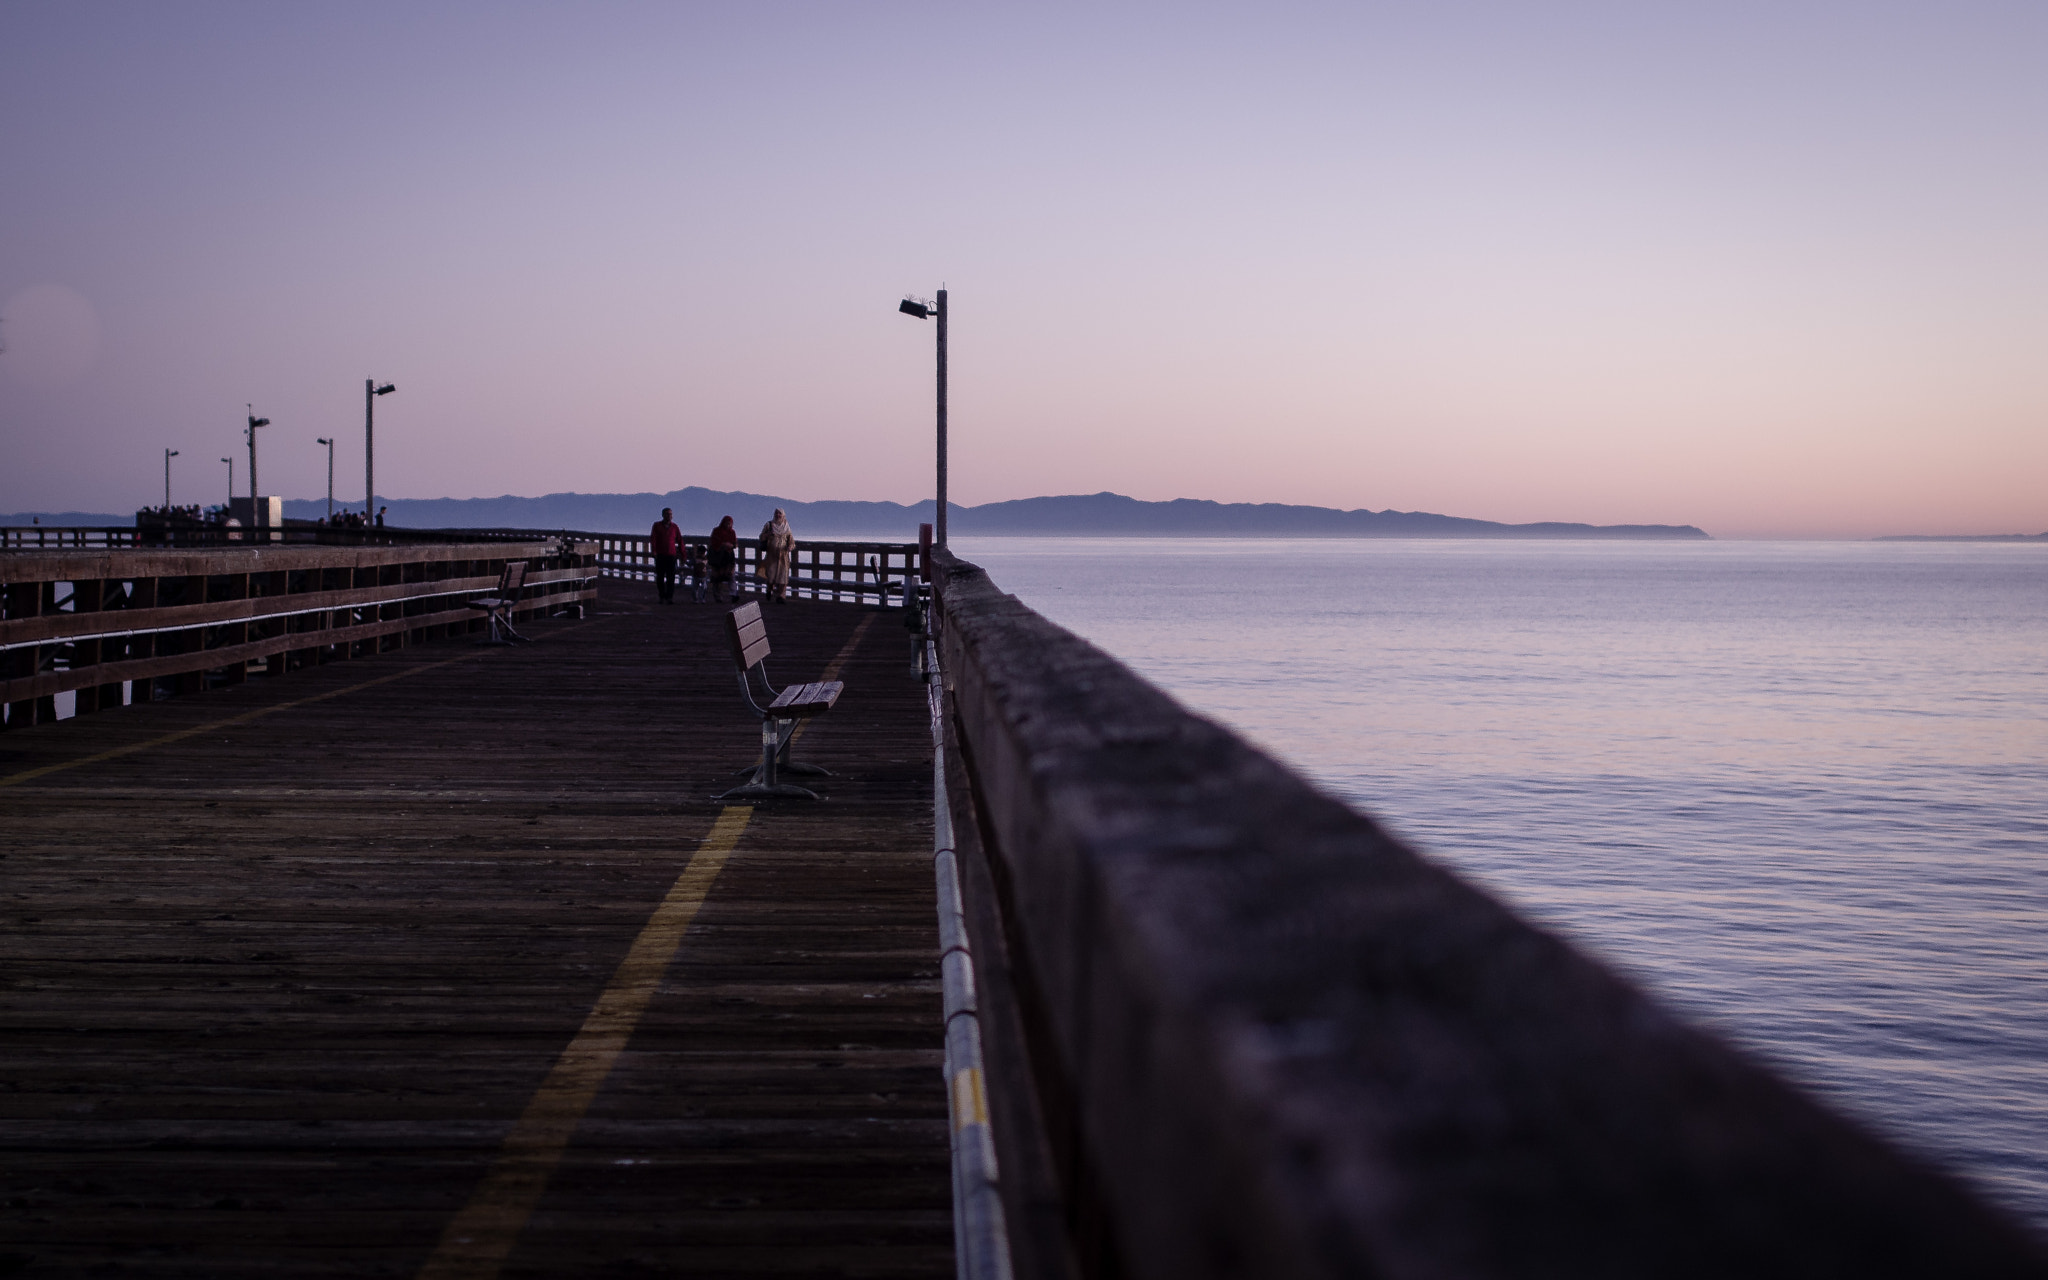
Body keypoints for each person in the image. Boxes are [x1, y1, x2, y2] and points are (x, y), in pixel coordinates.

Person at [757, 508, 796, 602]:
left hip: (783, 556)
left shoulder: (787, 527)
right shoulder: (769, 525)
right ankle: (769, 591)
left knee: (783, 577)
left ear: (783, 515)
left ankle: (781, 596)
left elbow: (791, 541)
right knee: (771, 576)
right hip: (771, 556)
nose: (778, 515)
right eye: (776, 513)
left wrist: (790, 547)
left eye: (780, 513)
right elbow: (761, 537)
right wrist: (768, 535)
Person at [651, 507, 684, 604]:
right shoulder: (657, 525)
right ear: (663, 515)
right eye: (667, 514)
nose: (669, 516)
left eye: (670, 514)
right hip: (660, 555)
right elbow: (653, 539)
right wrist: (654, 551)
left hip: (671, 555)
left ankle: (669, 597)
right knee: (660, 577)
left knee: (671, 577)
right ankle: (662, 596)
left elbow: (680, 540)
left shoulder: (675, 527)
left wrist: (683, 554)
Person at [709, 516, 739, 604]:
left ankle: (734, 594)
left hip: (729, 557)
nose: (728, 525)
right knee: (717, 578)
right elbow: (713, 543)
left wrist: (731, 546)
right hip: (718, 557)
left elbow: (735, 544)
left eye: (730, 523)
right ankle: (718, 596)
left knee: (731, 575)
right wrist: (722, 545)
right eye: (727, 523)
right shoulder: (716, 531)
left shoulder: (732, 532)